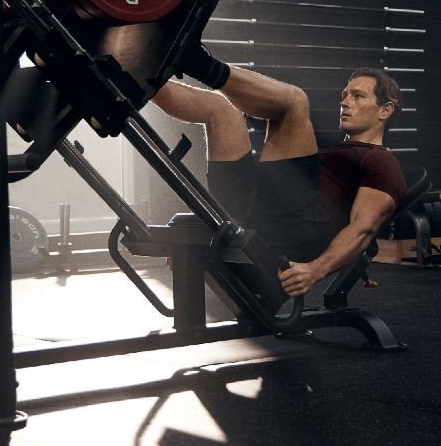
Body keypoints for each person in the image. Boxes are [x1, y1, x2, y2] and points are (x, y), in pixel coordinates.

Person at [153, 45, 406, 298]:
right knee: (221, 109)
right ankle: (136, 81)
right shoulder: (334, 153)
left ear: (385, 110)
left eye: (358, 96)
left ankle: (197, 62)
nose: (344, 101)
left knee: (295, 102)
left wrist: (314, 270)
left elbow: (364, 227)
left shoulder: (382, 161)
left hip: (294, 231)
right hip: (255, 213)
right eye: (345, 94)